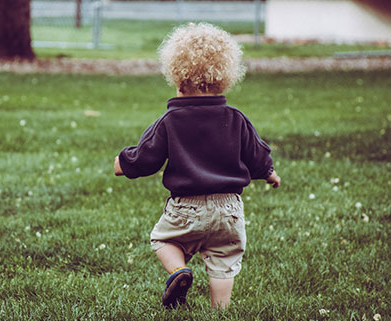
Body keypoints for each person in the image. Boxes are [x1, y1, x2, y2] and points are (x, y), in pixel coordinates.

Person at [113, 23, 281, 309]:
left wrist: (122, 163)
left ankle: (179, 271)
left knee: (163, 240)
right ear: (224, 79)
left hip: (185, 208)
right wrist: (269, 173)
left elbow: (146, 157)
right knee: (224, 260)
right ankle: (220, 310)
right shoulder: (236, 118)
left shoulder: (170, 121)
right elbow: (257, 154)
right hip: (229, 209)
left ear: (177, 79)